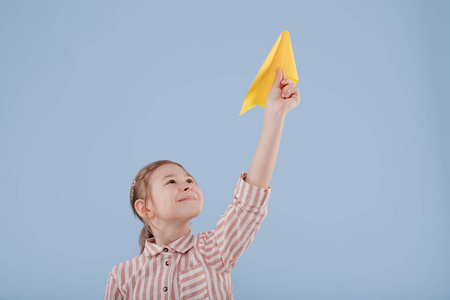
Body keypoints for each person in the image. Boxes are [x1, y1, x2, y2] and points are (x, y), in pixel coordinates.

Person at [104, 68, 300, 299]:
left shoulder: (213, 249)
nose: (187, 185)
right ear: (146, 208)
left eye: (189, 180)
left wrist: (275, 114)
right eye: (171, 182)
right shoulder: (122, 276)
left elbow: (248, 202)